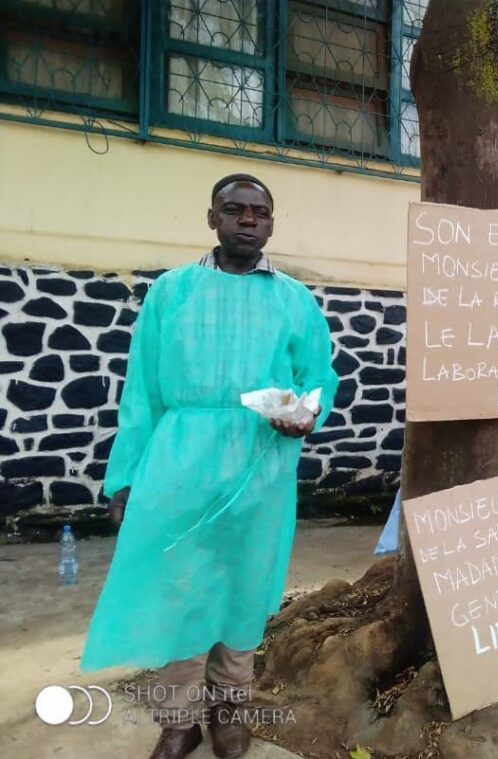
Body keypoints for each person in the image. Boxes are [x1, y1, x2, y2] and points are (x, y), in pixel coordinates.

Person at [81, 175, 339, 759]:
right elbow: (142, 393)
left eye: (259, 212)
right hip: (178, 461)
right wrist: (124, 476)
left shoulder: (293, 299)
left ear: (271, 223)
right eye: (235, 209)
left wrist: (305, 413)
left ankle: (229, 713)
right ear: (212, 219)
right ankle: (178, 723)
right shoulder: (172, 293)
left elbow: (318, 377)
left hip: (260, 463)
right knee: (180, 589)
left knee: (245, 587)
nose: (248, 220)